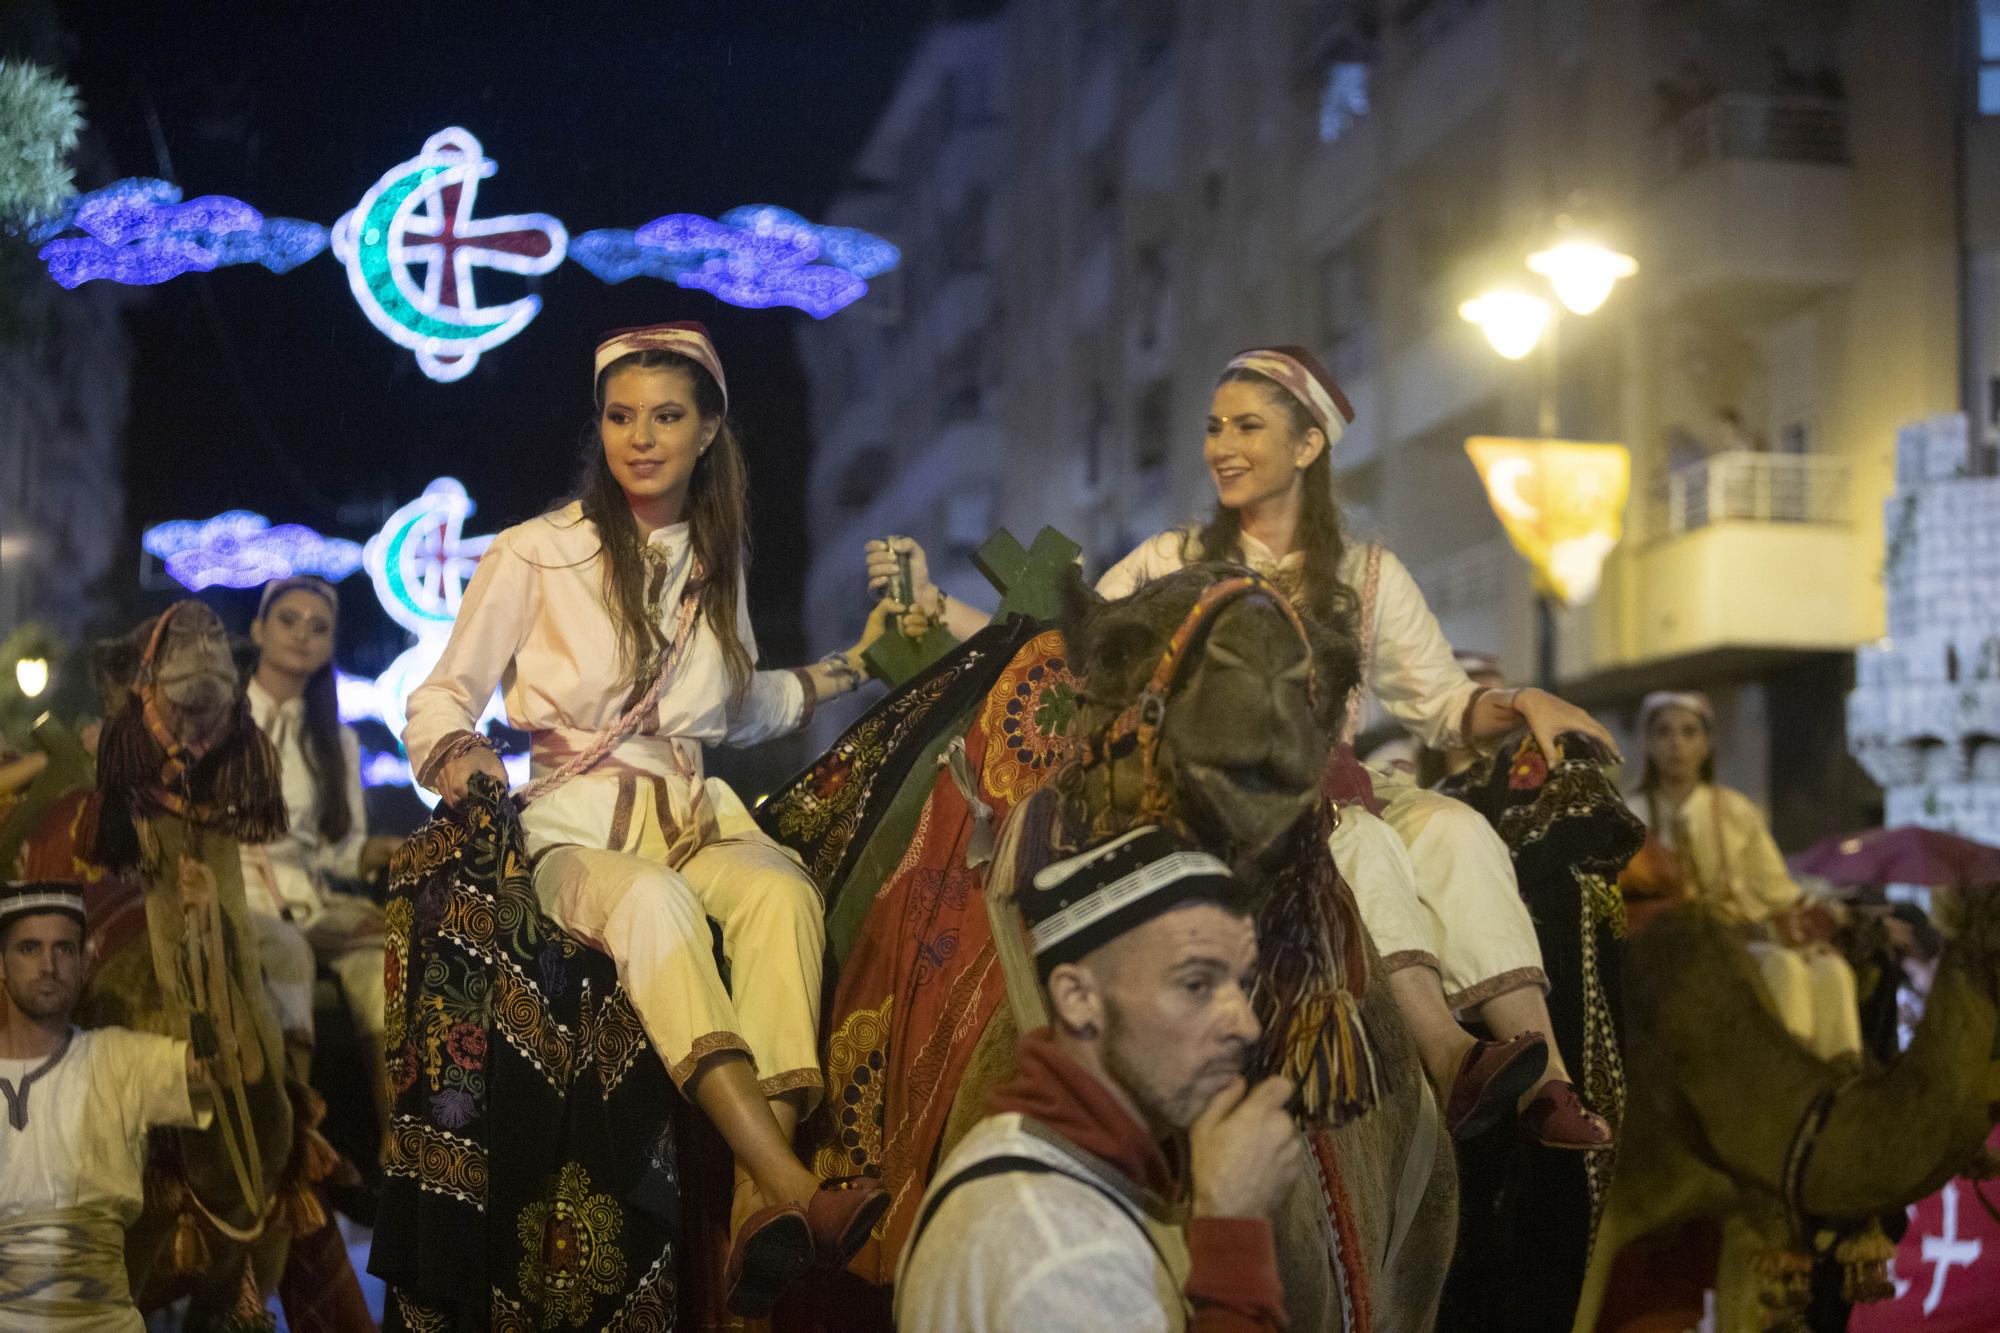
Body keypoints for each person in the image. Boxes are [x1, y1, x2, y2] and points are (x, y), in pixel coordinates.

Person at [867, 345, 1613, 1149]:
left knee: (1459, 830)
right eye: (1215, 426)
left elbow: (1444, 706)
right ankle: (1447, 1051)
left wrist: (1525, 698)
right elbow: (1064, 650)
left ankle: (1548, 1084)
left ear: (1307, 445)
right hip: (1221, 791)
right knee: (1357, 839)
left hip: (1349, 773)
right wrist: (939, 605)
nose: (1222, 444)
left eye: (1248, 426)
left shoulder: (1368, 575)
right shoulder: (1175, 560)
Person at [402, 321, 887, 1317]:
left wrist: (856, 665)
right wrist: (464, 759)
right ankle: (791, 1189)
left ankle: (756, 1195)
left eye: (666, 416)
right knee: (655, 905)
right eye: (621, 416)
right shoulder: (535, 552)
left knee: (782, 893)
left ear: (708, 430)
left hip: (693, 811)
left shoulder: (717, 556)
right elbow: (440, 695)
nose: (641, 436)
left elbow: (739, 704)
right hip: (569, 830)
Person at [895, 824, 1301, 1332]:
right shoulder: (1055, 1251)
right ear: (1078, 998)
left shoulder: (1072, 1176)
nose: (1246, 1024)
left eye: (1241, 984)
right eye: (1196, 984)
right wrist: (1233, 1234)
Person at [0, 879, 214, 1331]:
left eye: (63, 950)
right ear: (1, 965)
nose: (48, 966)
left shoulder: (119, 1059)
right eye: (29, 949)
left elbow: (225, 1072)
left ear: (83, 963)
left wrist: (208, 940)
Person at [1620, 691, 1862, 1061]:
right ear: (1648, 744)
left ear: (1706, 744)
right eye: (1664, 733)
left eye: (1689, 732)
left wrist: (1827, 911)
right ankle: (1788, 1073)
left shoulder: (1736, 810)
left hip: (1741, 933)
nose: (1676, 744)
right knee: (1781, 965)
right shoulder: (1629, 814)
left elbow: (1775, 888)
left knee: (1831, 970)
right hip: (1672, 943)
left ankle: (1839, 1078)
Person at [238, 575, 401, 1087]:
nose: (302, 634)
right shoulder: (218, 718)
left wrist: (386, 851)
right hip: (233, 888)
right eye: (288, 620)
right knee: (287, 950)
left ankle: (396, 1146)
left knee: (385, 960)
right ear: (259, 630)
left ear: (330, 645)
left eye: (318, 627)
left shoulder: (338, 740)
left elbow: (337, 851)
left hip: (306, 897)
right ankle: (296, 1135)